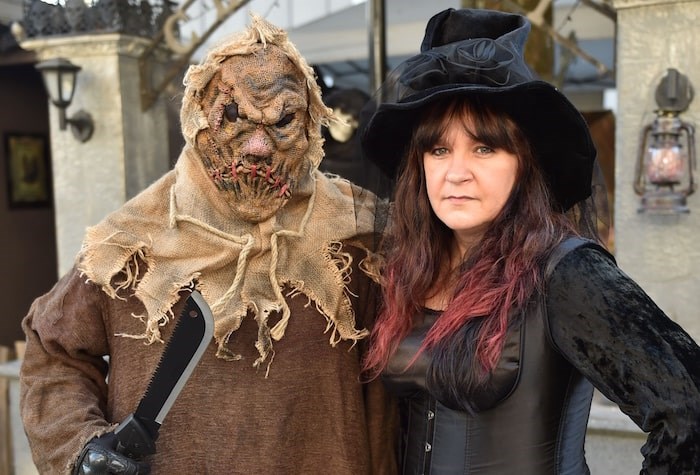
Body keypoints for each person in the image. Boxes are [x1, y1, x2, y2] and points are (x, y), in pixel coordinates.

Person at [20, 14, 396, 475]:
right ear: (197, 116)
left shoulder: (359, 231)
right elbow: (53, 351)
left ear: (310, 127)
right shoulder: (134, 239)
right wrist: (80, 446)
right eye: (234, 116)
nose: (258, 145)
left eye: (282, 120)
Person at [360, 7, 700, 475]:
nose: (456, 173)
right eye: (439, 149)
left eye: (484, 148)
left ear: (524, 162)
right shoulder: (408, 269)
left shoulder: (565, 272)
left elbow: (689, 407)